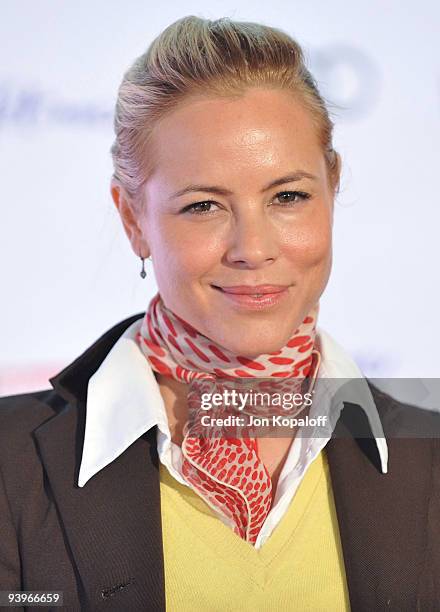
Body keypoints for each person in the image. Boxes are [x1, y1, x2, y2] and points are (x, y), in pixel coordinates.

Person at [0, 15, 439, 612]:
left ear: (332, 189)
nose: (253, 249)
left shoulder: (430, 459)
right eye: (203, 205)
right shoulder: (10, 467)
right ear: (133, 219)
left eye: (289, 196)